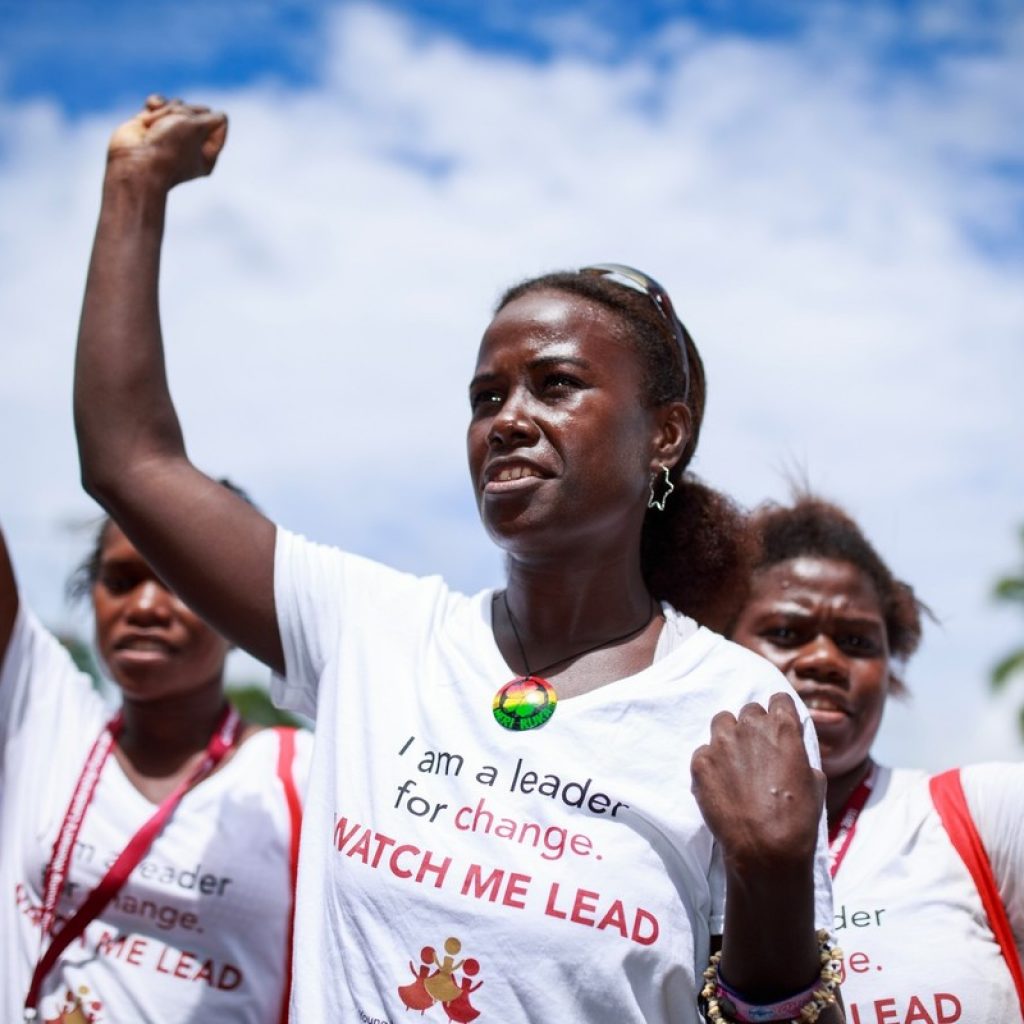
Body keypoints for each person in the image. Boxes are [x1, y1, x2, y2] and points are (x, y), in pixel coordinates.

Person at [72, 95, 843, 1024]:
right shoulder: (374, 634)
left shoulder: (739, 710)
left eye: (556, 385)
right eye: (486, 396)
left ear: (663, 436)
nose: (509, 417)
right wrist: (135, 187)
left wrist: (773, 874)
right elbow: (131, 461)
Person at [0, 496, 311, 1023]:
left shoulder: (305, 776)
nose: (143, 607)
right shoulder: (45, 721)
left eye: (178, 581)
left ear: (237, 606)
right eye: (119, 581)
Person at [731, 494, 1024, 1022]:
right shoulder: (671, 847)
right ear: (719, 650)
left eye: (856, 642)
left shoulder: (983, 814)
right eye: (784, 633)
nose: (823, 660)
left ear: (892, 670)